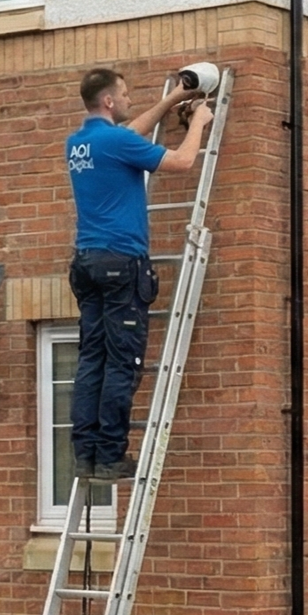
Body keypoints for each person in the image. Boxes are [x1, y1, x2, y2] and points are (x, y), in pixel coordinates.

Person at [65, 67, 213, 483]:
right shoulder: (117, 142)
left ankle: (86, 455)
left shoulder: (80, 142)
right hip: (121, 263)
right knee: (121, 363)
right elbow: (182, 162)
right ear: (108, 100)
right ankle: (110, 457)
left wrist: (172, 99)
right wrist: (198, 122)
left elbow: (130, 132)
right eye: (126, 94)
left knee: (91, 359)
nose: (130, 99)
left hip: (87, 262)